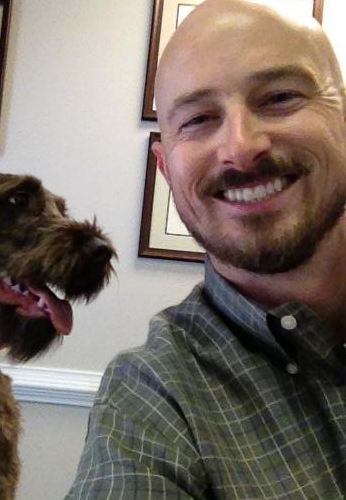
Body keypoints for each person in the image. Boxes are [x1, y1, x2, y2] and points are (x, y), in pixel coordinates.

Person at [65, 0, 346, 498]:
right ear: (166, 169)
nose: (241, 147)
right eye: (197, 119)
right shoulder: (152, 400)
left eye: (279, 97)